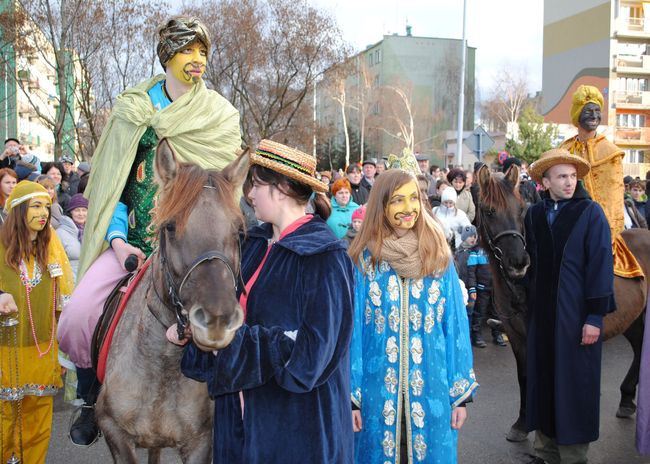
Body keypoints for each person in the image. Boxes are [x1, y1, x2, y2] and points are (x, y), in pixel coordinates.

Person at [56, 16, 242, 446]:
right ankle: (90, 397)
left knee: (241, 308)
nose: (196, 60)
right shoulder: (133, 109)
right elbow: (114, 187)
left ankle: (234, 403)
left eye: (201, 52)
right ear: (167, 56)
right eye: (187, 50)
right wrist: (118, 243)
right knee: (79, 313)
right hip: (135, 242)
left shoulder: (218, 115)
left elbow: (225, 189)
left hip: (197, 246)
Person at [177, 139, 354, 463]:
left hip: (295, 430)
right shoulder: (253, 245)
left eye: (256, 185)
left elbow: (313, 356)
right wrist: (199, 334)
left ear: (282, 188)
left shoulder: (324, 257)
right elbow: (229, 317)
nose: (249, 194)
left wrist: (230, 340)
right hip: (239, 426)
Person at [348, 161, 477, 464]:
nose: (408, 208)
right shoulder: (364, 262)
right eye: (397, 200)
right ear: (381, 205)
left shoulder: (439, 258)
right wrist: (352, 398)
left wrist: (460, 397)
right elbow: (352, 332)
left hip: (432, 391)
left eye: (413, 198)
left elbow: (455, 329)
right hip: (375, 393)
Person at [525, 148, 614, 464]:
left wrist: (594, 315)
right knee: (543, 378)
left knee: (575, 381)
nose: (569, 182)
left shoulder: (590, 213)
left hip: (575, 316)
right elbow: (530, 265)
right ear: (545, 181)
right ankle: (545, 450)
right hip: (543, 317)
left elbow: (601, 264)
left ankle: (573, 455)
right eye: (561, 176)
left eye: (573, 176)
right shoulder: (534, 215)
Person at [0, 181, 74, 463]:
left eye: (46, 206)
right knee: (6, 417)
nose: (44, 213)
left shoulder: (50, 249)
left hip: (43, 351)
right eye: (36, 206)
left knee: (38, 419)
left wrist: (64, 350)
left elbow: (64, 299)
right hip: (6, 353)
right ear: (19, 210)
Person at [559, 84, 643, 279]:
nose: (594, 115)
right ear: (577, 114)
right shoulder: (565, 149)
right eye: (589, 111)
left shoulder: (611, 152)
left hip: (603, 224)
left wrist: (607, 234)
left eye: (598, 111)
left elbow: (613, 197)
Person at [454, 225, 505, 348]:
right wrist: (472, 287)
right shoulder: (476, 252)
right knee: (479, 312)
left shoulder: (496, 251)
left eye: (475, 236)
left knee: (496, 312)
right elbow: (471, 271)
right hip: (481, 288)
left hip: (495, 288)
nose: (475, 238)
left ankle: (497, 334)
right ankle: (477, 335)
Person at [55, 193, 88, 280]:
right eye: (77, 210)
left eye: (84, 210)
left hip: (88, 281)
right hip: (69, 282)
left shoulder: (92, 232)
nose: (81, 214)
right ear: (71, 212)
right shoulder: (60, 233)